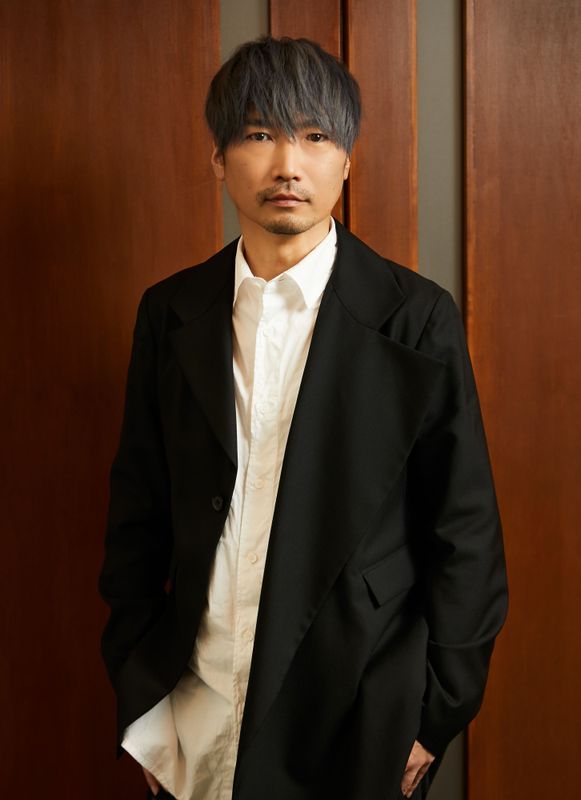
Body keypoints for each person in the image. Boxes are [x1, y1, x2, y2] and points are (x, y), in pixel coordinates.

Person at [99, 36, 507, 800]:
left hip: (356, 712)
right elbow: (137, 511)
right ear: (219, 158)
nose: (288, 164)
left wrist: (431, 716)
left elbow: (466, 532)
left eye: (315, 137)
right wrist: (142, 698)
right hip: (192, 709)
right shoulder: (171, 311)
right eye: (260, 134)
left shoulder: (415, 318)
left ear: (346, 160)